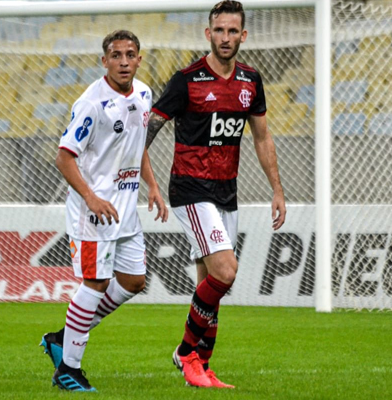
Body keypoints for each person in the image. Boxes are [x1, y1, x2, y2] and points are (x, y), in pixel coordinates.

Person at [144, 0, 286, 388]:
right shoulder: (186, 80)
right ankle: (186, 352)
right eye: (218, 30)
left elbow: (262, 137)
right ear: (208, 34)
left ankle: (201, 367)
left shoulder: (250, 81)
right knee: (226, 271)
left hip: (227, 192)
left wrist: (277, 189)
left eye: (232, 31)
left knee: (211, 282)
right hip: (190, 188)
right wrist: (149, 184)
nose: (225, 38)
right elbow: (146, 132)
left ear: (243, 35)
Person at [46, 29, 168, 393]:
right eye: (116, 55)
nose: (124, 61)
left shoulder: (144, 94)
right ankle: (68, 367)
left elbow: (137, 143)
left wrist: (153, 184)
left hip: (126, 208)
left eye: (131, 54)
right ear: (105, 61)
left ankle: (62, 338)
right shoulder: (92, 103)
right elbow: (64, 158)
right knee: (96, 283)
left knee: (133, 282)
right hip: (93, 212)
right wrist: (90, 197)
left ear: (139, 59)